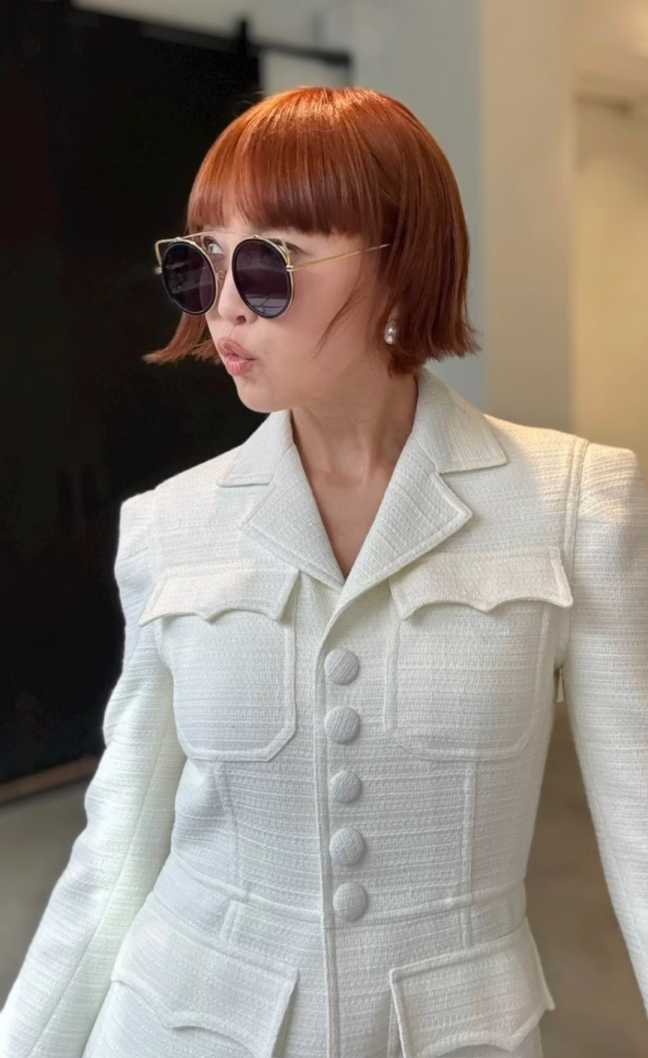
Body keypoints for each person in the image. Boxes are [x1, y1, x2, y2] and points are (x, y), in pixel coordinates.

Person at [1, 84, 647, 1058]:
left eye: (268, 263)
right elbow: (118, 847)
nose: (224, 306)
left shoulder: (572, 503)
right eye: (200, 264)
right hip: (180, 1024)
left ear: (402, 263)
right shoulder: (169, 526)